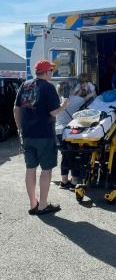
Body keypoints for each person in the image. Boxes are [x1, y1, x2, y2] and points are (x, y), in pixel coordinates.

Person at [14, 60, 71, 215]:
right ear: (46, 72)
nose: (52, 73)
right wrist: (64, 105)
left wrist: (20, 129)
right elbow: (53, 112)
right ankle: (43, 205)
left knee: (30, 169)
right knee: (46, 170)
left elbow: (16, 109)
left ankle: (33, 204)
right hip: (44, 135)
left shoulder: (24, 85)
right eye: (51, 71)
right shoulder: (48, 87)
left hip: (27, 135)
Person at [54, 81, 86, 189]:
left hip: (59, 132)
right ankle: (74, 182)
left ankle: (64, 181)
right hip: (73, 132)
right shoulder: (78, 100)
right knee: (76, 156)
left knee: (65, 156)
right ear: (71, 89)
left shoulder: (56, 100)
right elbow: (88, 100)